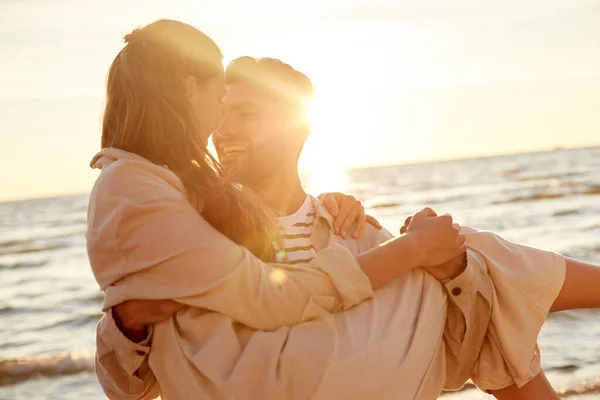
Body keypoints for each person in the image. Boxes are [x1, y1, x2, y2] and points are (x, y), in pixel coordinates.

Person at [88, 20, 600, 400]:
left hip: (352, 370)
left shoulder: (348, 228)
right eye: (220, 108)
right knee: (473, 269)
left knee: (475, 279)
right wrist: (128, 325)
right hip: (294, 374)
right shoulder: (186, 215)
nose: (222, 129)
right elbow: (124, 386)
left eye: (241, 112)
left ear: (298, 126)